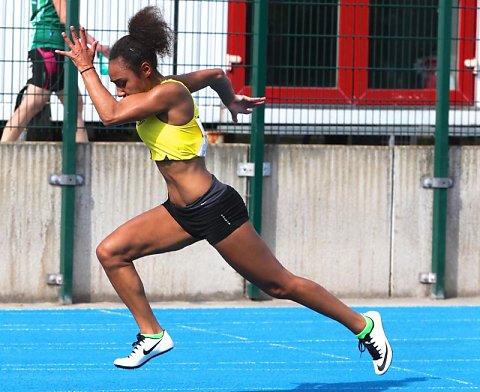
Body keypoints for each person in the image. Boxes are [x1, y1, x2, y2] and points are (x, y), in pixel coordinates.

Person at [57, 6, 392, 375]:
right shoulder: (162, 88)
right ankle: (152, 334)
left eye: (122, 83)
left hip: (214, 208)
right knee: (111, 252)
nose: (119, 91)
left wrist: (87, 68)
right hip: (180, 212)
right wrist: (230, 99)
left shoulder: (167, 95)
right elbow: (217, 73)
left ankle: (364, 325)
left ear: (146, 71)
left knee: (279, 284)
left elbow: (109, 115)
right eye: (115, 83)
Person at [0, 0, 109, 143]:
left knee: (74, 104)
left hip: (50, 47)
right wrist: (97, 45)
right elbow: (66, 18)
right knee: (33, 103)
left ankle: (81, 160)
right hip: (50, 48)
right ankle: (3, 153)